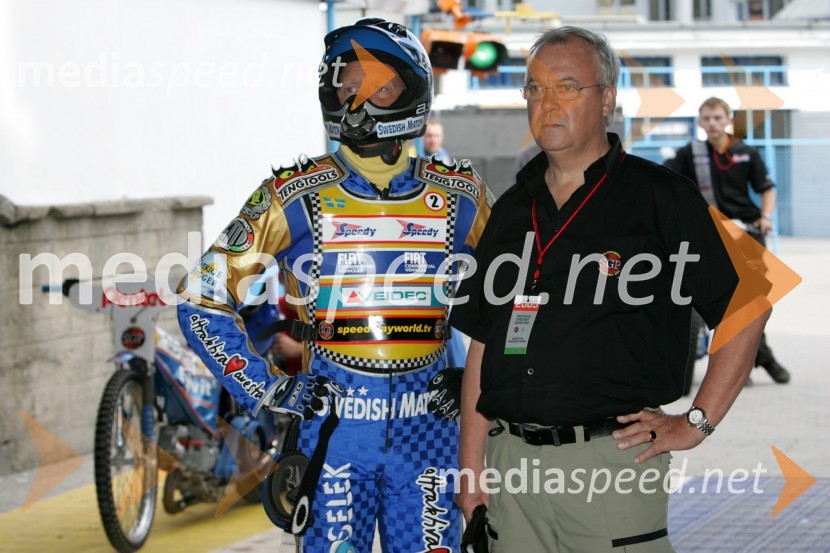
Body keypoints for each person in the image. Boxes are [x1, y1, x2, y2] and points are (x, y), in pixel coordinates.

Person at [177, 18, 491, 553]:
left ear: (412, 90)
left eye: (375, 86)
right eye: (346, 85)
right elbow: (201, 297)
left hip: (432, 433)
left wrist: (483, 393)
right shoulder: (291, 194)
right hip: (333, 433)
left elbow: (512, 309)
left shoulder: (463, 194)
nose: (355, 99)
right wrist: (269, 387)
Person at [450, 26, 770, 552]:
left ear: (608, 99)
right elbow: (482, 343)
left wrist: (694, 423)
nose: (547, 102)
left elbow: (747, 305)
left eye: (567, 86)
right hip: (510, 472)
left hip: (608, 468)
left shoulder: (660, 198)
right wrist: (471, 471)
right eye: (535, 88)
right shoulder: (509, 210)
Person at [666, 96, 790, 384]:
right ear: (699, 122)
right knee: (723, 304)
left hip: (746, 234)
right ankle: (755, 361)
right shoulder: (689, 154)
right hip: (710, 239)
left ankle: (758, 358)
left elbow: (766, 189)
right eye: (706, 118)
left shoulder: (746, 153)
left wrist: (766, 216)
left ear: (728, 119)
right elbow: (667, 183)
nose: (712, 123)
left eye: (717, 118)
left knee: (752, 304)